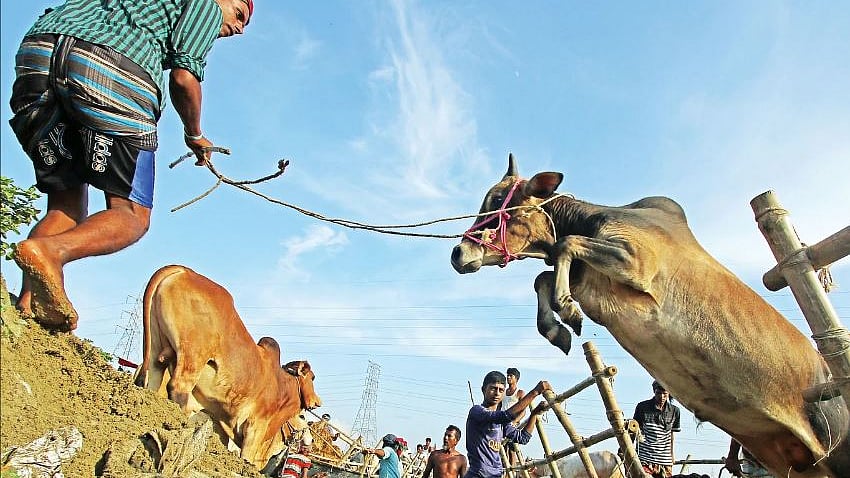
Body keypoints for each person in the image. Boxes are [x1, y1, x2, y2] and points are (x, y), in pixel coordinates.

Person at [9, 0, 254, 331]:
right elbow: (183, 78)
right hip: (111, 69)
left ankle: (28, 305)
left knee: (64, 207)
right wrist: (195, 134)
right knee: (132, 216)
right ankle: (50, 252)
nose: (238, 28)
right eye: (239, 14)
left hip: (38, 54)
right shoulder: (205, 5)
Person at [464, 371, 551, 478]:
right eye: (493, 388)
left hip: (495, 475)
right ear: (483, 390)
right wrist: (535, 392)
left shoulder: (501, 423)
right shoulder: (477, 411)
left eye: (501, 390)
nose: (497, 393)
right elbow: (506, 415)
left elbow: (523, 438)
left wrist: (534, 414)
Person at [632, 380, 681, 478]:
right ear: (654, 391)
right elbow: (633, 430)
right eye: (659, 393)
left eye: (665, 394)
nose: (662, 397)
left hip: (665, 459)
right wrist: (628, 450)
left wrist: (672, 456)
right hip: (645, 458)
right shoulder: (642, 407)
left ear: (668, 394)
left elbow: (671, 435)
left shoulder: (675, 411)